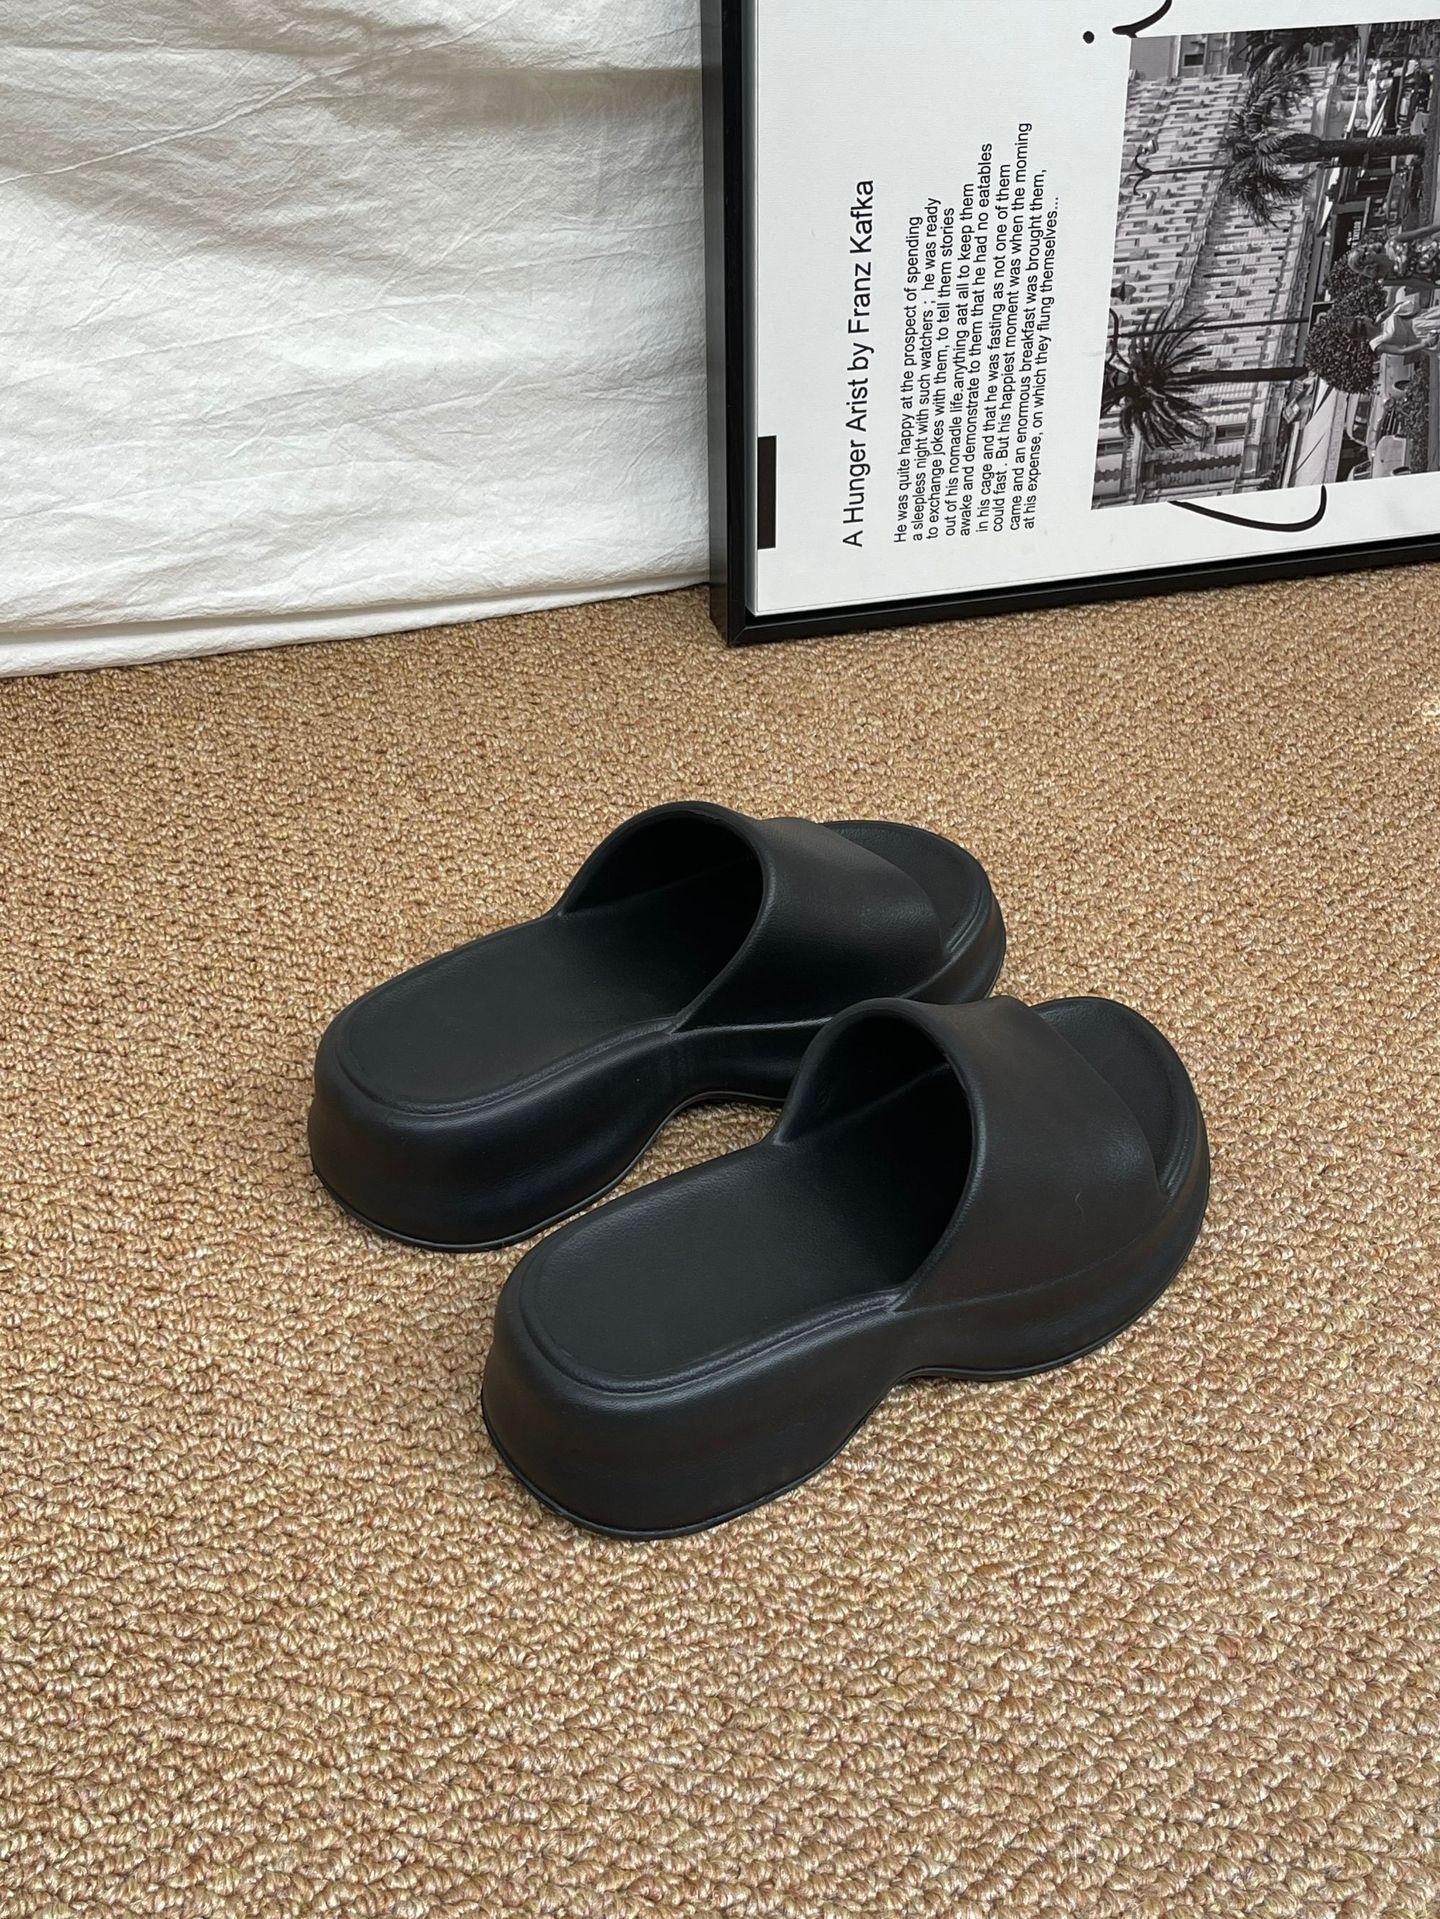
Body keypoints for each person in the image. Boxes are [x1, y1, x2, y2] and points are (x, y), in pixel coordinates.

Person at [1346, 220, 1440, 287]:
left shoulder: (1391, 243)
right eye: (1363, 257)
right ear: (1363, 267)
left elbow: (1420, 233)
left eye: (1365, 249)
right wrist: (1436, 286)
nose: (1367, 253)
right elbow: (1412, 282)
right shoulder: (1384, 278)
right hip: (1434, 271)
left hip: (1435, 249)